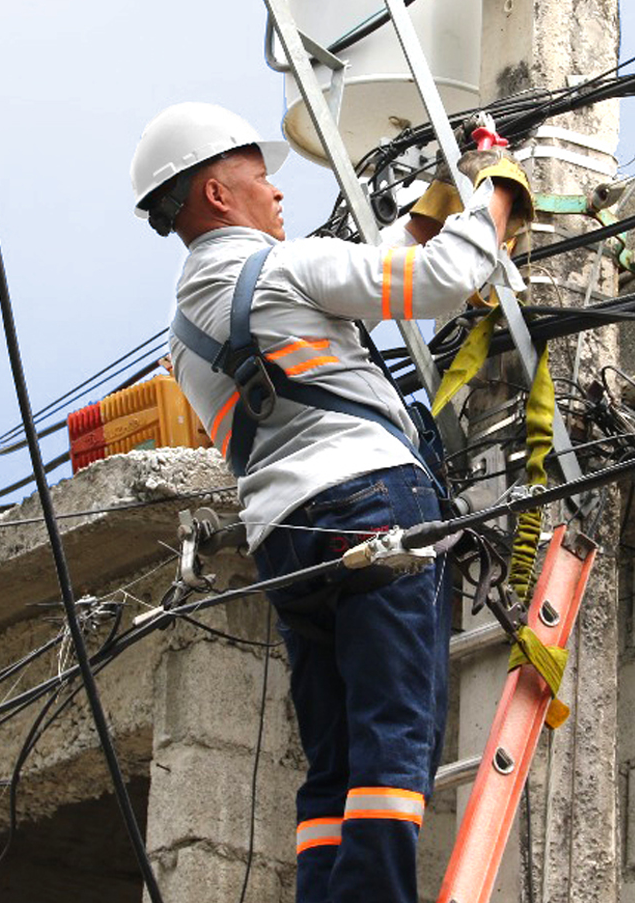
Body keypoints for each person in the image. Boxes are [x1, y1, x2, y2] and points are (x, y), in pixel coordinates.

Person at [130, 102, 528, 903]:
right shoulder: (288, 267)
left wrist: (421, 225)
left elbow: (363, 282)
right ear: (216, 192)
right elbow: (444, 281)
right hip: (373, 503)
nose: (278, 194)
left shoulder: (184, 333)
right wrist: (497, 194)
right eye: (261, 177)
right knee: (395, 742)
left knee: (335, 767)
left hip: (287, 541)